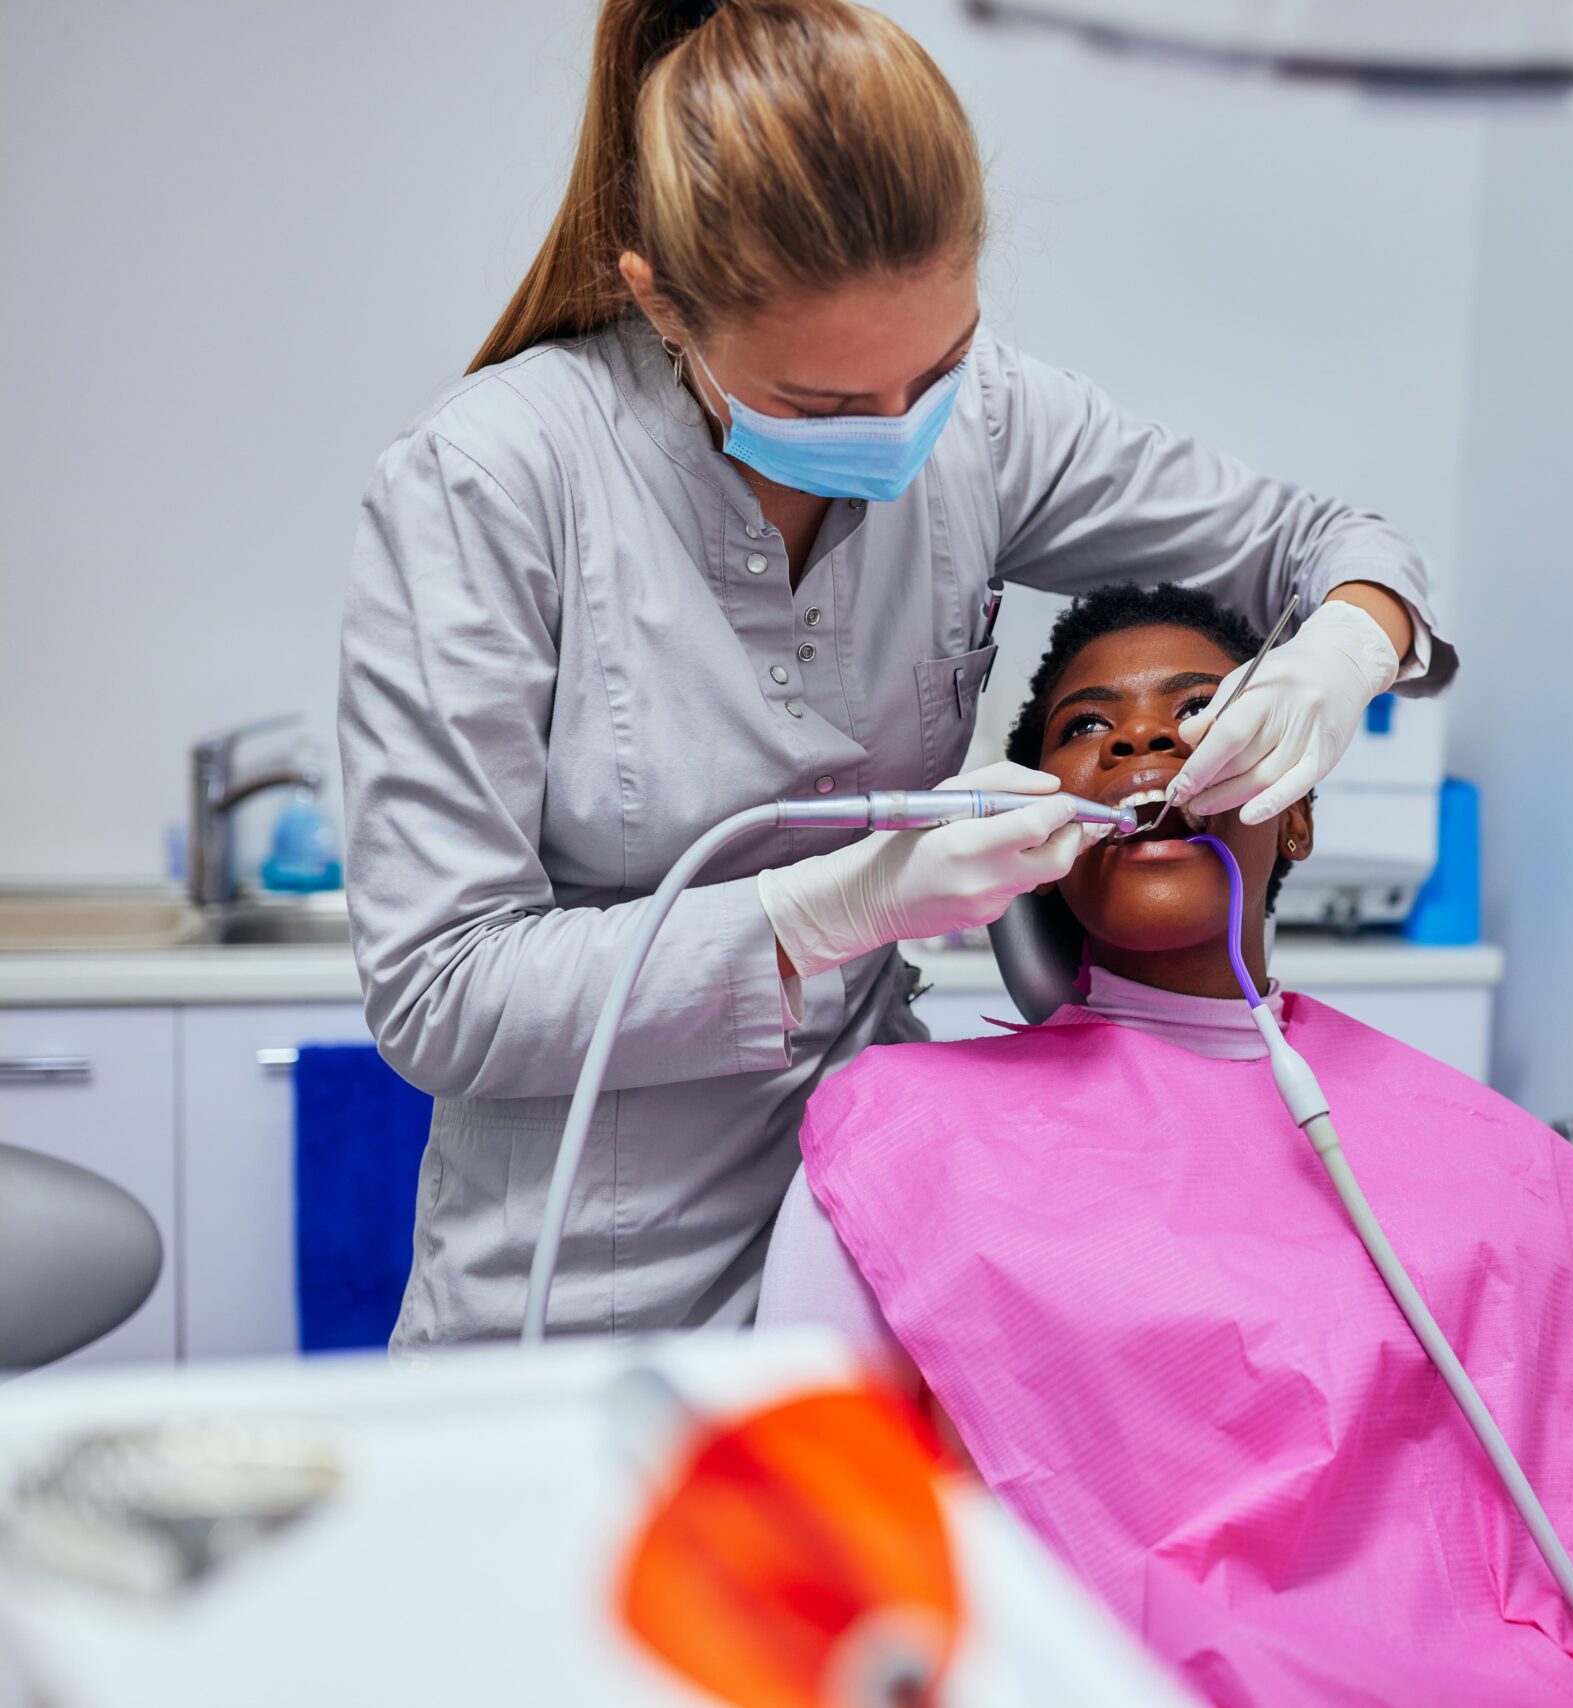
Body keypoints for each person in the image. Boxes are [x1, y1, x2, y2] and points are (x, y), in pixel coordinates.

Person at [337, 0, 1449, 1347]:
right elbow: (440, 992)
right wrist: (837, 909)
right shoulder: (494, 480)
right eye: (821, 405)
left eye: (939, 366)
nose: (903, 432)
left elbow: (1333, 543)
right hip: (581, 1298)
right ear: (661, 305)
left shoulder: (986, 425)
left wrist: (1347, 641)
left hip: (885, 1261)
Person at [761, 587, 1573, 1708]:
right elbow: (813, 1536)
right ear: (1028, 827)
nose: (1140, 739)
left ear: (1298, 809)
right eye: (1086, 727)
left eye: (1199, 710)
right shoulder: (905, 1139)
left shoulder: (1500, 1164)